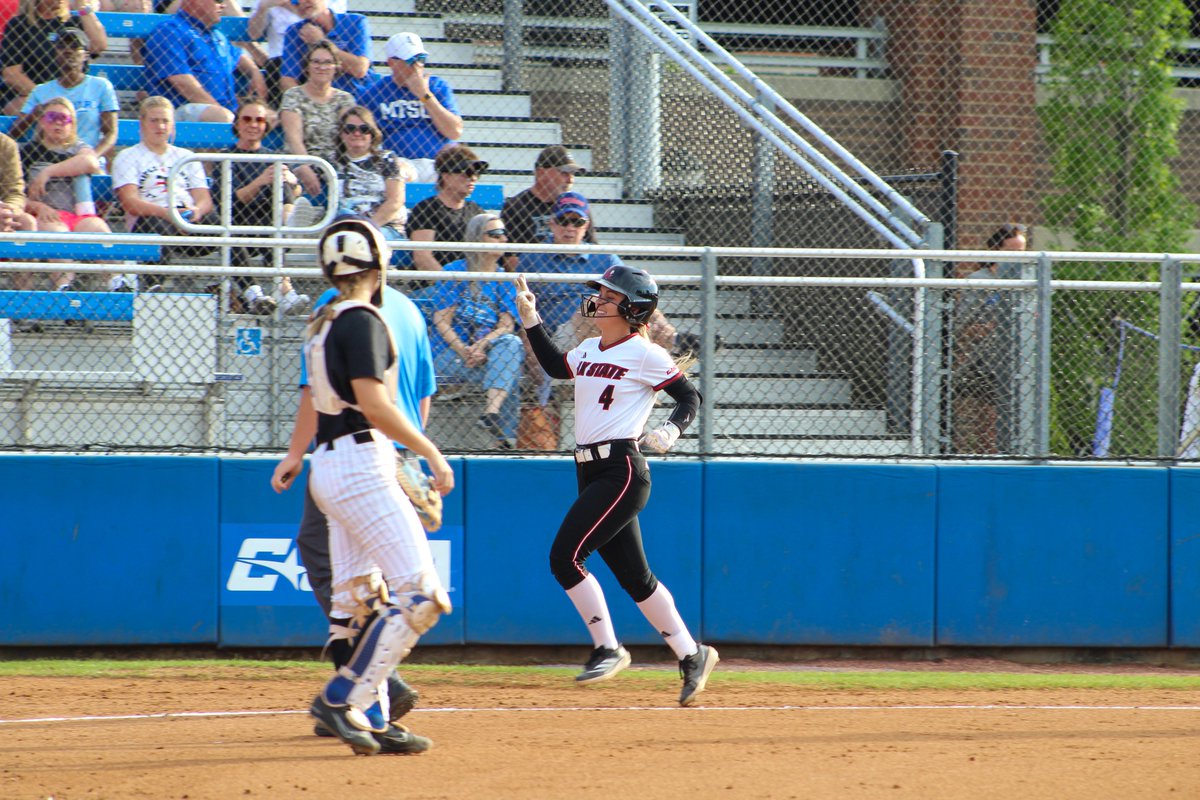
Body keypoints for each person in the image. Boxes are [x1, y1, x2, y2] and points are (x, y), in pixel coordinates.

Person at [269, 215, 453, 756]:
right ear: (379, 263)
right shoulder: (363, 319)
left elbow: (321, 400)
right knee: (421, 596)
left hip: (330, 467)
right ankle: (342, 697)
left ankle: (371, 719)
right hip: (361, 464)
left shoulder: (324, 320)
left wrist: (295, 455)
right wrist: (429, 451)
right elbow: (375, 405)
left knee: (356, 604)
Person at [513, 265, 718, 706]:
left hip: (621, 469)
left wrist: (670, 432)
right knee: (636, 578)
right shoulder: (589, 346)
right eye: (600, 294)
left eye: (608, 296)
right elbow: (553, 364)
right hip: (589, 469)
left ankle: (608, 647)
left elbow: (690, 397)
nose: (599, 301)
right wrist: (531, 318)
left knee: (565, 558)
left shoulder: (645, 353)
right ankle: (692, 654)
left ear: (632, 307)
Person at [429, 213, 522, 448]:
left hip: (486, 354)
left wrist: (482, 345)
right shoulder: (456, 270)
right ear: (476, 237)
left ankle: (490, 414)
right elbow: (441, 320)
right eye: (494, 234)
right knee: (505, 374)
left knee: (512, 345)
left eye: (504, 234)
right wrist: (464, 350)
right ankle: (504, 440)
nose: (502, 239)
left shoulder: (504, 278)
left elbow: (506, 326)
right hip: (449, 354)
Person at [215, 97, 310, 314]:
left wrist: (293, 184)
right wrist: (261, 181)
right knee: (234, 231)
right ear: (237, 124)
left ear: (265, 125)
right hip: (237, 222)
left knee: (280, 175)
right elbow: (230, 199)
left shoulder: (272, 156)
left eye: (259, 120)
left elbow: (294, 190)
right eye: (247, 119)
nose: (253, 124)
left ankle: (285, 288)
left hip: (268, 223)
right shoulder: (225, 157)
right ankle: (257, 294)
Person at [111, 95, 214, 283]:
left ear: (173, 124)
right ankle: (154, 287)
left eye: (165, 121)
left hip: (188, 220)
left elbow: (204, 198)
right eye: (154, 121)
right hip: (154, 218)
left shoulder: (186, 157)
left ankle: (252, 292)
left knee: (223, 223)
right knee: (155, 227)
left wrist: (196, 210)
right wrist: (168, 213)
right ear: (142, 123)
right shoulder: (128, 156)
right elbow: (130, 203)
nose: (160, 127)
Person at [18, 96, 111, 291]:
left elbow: (91, 163)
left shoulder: (78, 148)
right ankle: (64, 289)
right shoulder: (28, 152)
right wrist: (38, 206)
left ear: (72, 124)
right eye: (52, 117)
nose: (58, 122)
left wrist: (48, 172)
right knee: (58, 234)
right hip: (46, 214)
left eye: (65, 118)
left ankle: (118, 283)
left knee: (99, 228)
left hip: (77, 217)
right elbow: (14, 192)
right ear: (42, 121)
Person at [952, 222, 1027, 455]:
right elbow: (961, 325)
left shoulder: (1027, 279)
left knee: (1012, 420)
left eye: (1022, 253)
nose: (1018, 258)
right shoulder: (981, 280)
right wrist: (986, 329)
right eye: (1011, 252)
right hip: (984, 361)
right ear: (995, 251)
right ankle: (983, 458)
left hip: (1017, 359)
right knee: (987, 423)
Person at [356, 32, 462, 184]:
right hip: (400, 164)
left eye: (421, 59)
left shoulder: (437, 87)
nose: (417, 66)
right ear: (391, 62)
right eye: (411, 60)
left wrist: (424, 94)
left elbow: (454, 131)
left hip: (439, 163)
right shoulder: (374, 94)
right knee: (398, 171)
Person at [143, 0, 267, 124]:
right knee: (222, 117)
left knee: (269, 118)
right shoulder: (169, 31)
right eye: (218, 1)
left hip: (226, 112)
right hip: (182, 110)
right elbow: (182, 82)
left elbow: (238, 57)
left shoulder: (217, 35)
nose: (222, 5)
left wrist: (255, 72)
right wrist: (221, 110)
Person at [9, 27, 116, 163]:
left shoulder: (101, 86)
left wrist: (92, 156)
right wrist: (35, 114)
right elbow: (14, 132)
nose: (68, 50)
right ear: (55, 54)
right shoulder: (41, 91)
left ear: (86, 55)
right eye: (62, 46)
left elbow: (111, 133)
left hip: (85, 160)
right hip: (47, 159)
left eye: (75, 46)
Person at [279, 39, 355, 200]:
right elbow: (294, 139)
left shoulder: (345, 99)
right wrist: (305, 167)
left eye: (328, 62)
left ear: (336, 67)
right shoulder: (293, 95)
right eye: (316, 62)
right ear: (307, 66)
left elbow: (348, 137)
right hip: (300, 161)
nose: (322, 67)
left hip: (336, 165)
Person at [0, 0, 105, 114]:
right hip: (32, 95)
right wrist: (46, 97)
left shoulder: (74, 23)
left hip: (73, 97)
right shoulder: (20, 25)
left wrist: (84, 8)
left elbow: (98, 46)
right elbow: (11, 74)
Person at [331, 105, 415, 246]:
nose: (357, 133)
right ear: (342, 133)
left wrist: (368, 227)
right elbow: (309, 183)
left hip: (383, 226)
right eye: (350, 128)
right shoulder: (332, 161)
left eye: (364, 129)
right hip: (344, 222)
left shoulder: (386, 159)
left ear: (372, 134)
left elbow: (395, 200)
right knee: (343, 213)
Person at [245, 0, 346, 107]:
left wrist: (295, 7)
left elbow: (331, 19)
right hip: (280, 62)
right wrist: (263, 7)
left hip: (321, 54)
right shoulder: (291, 30)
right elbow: (253, 34)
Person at [407, 144, 487, 272]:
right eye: (466, 172)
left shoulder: (476, 211)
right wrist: (451, 284)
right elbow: (422, 258)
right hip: (433, 285)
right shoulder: (427, 209)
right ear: (446, 175)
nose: (473, 178)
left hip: (469, 284)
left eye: (477, 173)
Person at [278, 0, 370, 97]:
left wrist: (321, 40)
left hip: (359, 96)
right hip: (318, 100)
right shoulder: (295, 32)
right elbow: (287, 80)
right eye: (296, 0)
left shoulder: (355, 22)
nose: (302, 2)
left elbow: (359, 69)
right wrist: (306, 102)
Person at [501, 145, 584, 248]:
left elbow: (592, 249)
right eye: (564, 173)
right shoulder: (516, 207)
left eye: (573, 174)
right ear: (541, 173)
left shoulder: (578, 206)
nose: (570, 180)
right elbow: (510, 258)